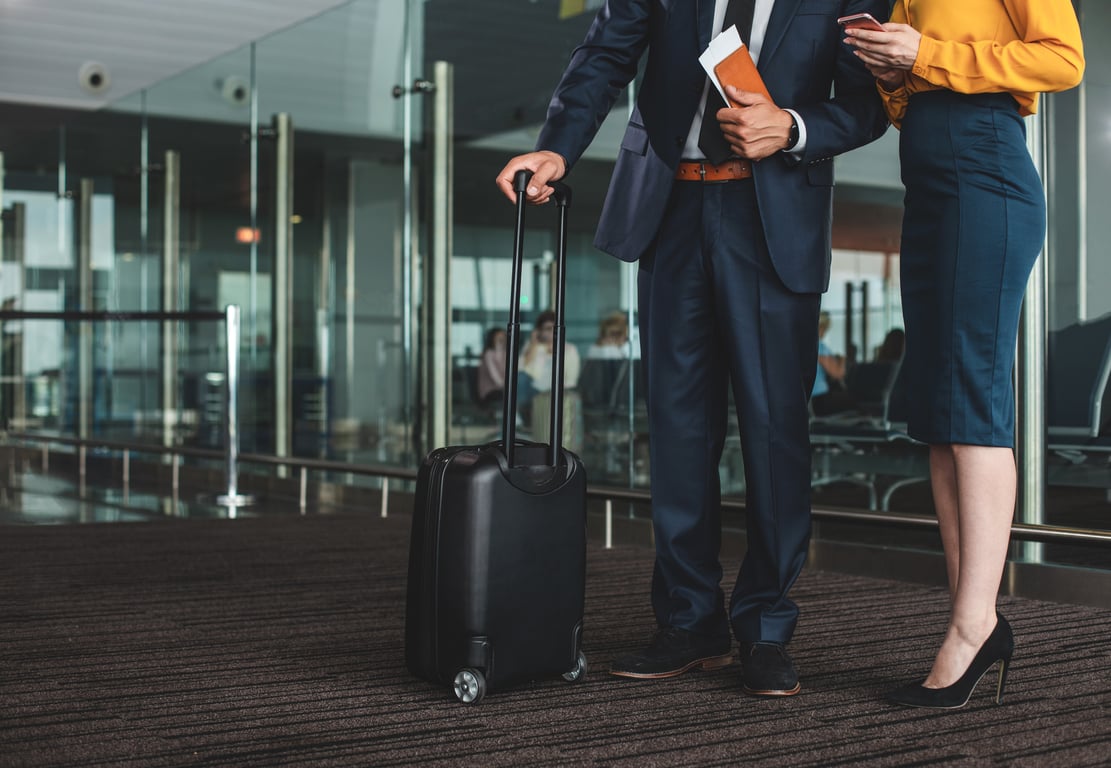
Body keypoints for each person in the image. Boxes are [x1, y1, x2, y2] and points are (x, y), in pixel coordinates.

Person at [496, 0, 888, 697]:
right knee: (676, 432)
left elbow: (870, 102)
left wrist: (793, 126)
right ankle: (688, 620)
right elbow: (605, 53)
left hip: (770, 218)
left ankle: (765, 625)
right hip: (669, 210)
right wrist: (556, 144)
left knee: (774, 433)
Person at [844, 0, 1084, 708]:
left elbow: (1061, 60)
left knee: (971, 395)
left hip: (984, 166)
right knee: (938, 407)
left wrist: (922, 56)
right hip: (928, 173)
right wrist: (890, 64)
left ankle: (974, 625)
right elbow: (909, 85)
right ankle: (968, 618)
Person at [811, 311, 853, 416]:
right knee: (853, 401)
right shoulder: (819, 347)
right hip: (819, 399)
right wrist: (842, 360)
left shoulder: (801, 346)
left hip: (807, 398)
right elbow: (838, 373)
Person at [476, 327, 506, 405]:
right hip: (489, 391)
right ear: (492, 338)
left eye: (503, 337)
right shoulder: (488, 354)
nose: (501, 340)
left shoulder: (505, 354)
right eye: (498, 338)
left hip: (502, 390)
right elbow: (497, 379)